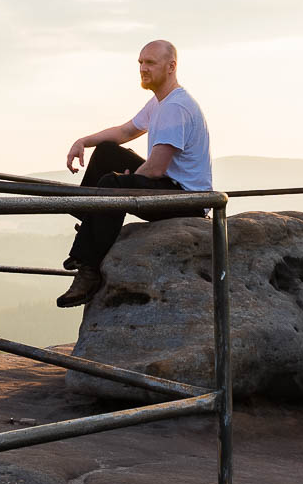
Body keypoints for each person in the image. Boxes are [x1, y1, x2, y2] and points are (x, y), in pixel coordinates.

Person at [56, 40, 212, 307]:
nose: (143, 68)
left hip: (186, 201)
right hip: (169, 185)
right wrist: (83, 141)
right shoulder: (160, 102)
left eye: (150, 62)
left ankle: (89, 269)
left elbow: (155, 168)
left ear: (171, 66)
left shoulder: (176, 107)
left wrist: (127, 180)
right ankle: (89, 231)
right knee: (106, 152)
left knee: (111, 183)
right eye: (140, 62)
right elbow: (125, 132)